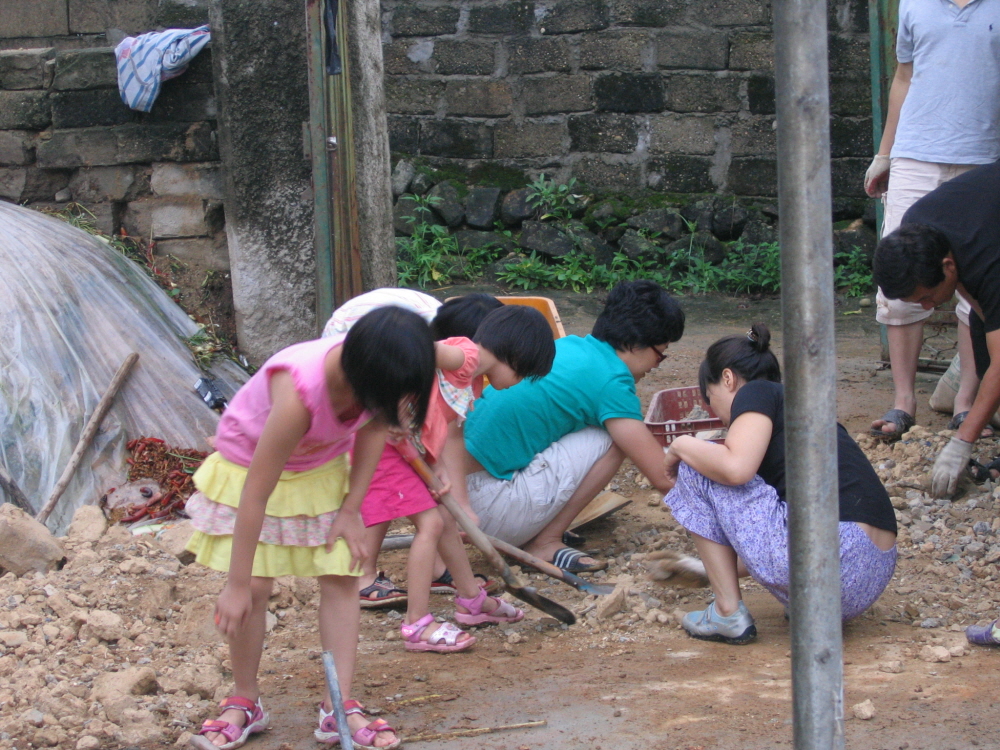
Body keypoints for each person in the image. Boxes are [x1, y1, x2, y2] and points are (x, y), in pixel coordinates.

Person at [184, 306, 436, 750]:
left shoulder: (380, 379)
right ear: (359, 377)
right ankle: (245, 700)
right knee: (257, 588)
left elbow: (374, 430)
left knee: (342, 579)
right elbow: (257, 494)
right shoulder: (300, 393)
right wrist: (236, 585)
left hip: (319, 469)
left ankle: (337, 706)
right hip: (251, 471)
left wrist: (351, 508)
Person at [661, 324, 898, 643]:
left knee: (700, 463)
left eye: (711, 397)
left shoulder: (755, 392)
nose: (716, 414)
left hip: (833, 560)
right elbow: (763, 532)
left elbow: (736, 470)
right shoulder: (804, 411)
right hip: (867, 578)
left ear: (728, 379)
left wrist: (680, 445)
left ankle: (727, 613)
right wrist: (704, 569)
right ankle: (751, 603)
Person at [354, 305, 555, 652]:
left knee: (445, 518)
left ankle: (471, 601)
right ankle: (417, 624)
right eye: (525, 374)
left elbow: (441, 426)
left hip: (410, 451)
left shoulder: (473, 382)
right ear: (517, 355)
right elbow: (414, 347)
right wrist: (394, 401)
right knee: (431, 525)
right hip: (385, 449)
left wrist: (441, 467)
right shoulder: (465, 355)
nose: (520, 383)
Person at [461, 280, 684, 572]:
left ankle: (536, 529)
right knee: (615, 439)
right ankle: (545, 541)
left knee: (600, 427)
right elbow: (663, 477)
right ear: (635, 342)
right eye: (660, 353)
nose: (657, 364)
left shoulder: (568, 347)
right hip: (487, 511)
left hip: (456, 498)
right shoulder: (611, 380)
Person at [864, 0, 1000, 441]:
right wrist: (886, 153)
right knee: (902, 281)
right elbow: (904, 77)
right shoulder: (914, 3)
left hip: (985, 153)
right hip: (916, 151)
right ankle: (904, 401)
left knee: (973, 290)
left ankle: (967, 403)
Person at [872, 160, 1000, 498]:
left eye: (928, 297)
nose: (929, 307)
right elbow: (983, 316)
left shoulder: (988, 262)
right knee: (982, 329)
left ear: (948, 265)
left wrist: (962, 443)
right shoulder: (915, 226)